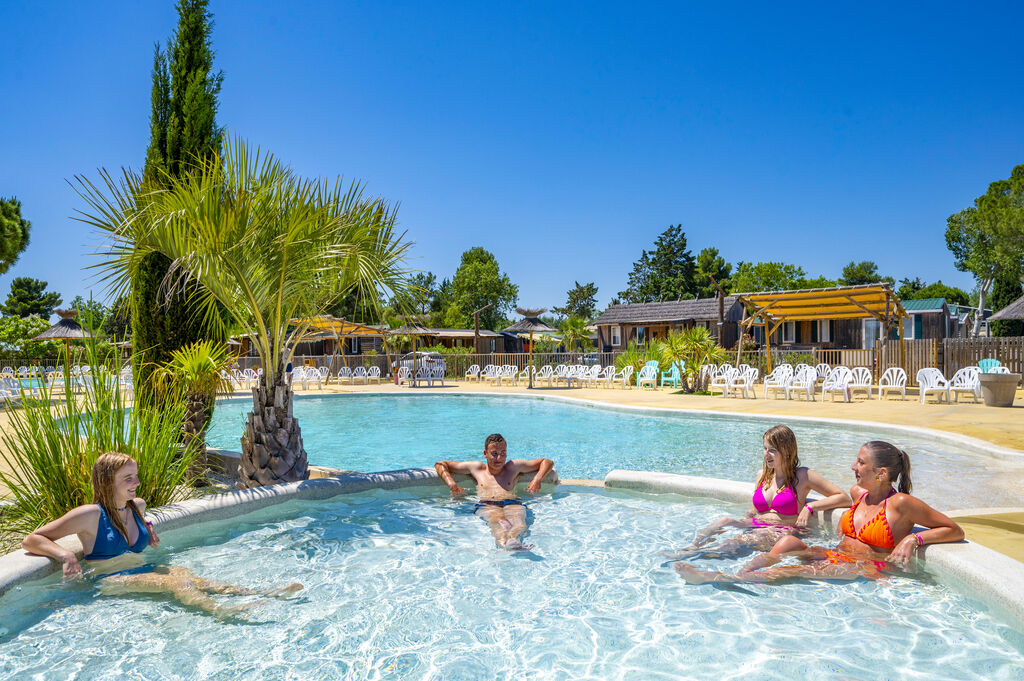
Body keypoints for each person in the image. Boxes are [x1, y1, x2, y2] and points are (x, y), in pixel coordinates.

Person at [22, 452, 302, 618]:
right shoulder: (89, 514)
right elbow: (32, 539)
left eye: (136, 476)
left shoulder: (138, 506)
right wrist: (66, 555)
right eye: (128, 479)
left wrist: (149, 529)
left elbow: (141, 523)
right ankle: (222, 613)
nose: (137, 483)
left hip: (142, 568)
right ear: (108, 481)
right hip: (109, 580)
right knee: (177, 585)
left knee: (191, 577)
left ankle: (262, 592)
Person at [675, 441, 965, 584]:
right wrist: (809, 509)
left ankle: (724, 579)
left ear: (882, 473)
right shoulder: (857, 494)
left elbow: (955, 530)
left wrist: (913, 540)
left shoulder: (901, 503)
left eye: (860, 463)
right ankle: (743, 572)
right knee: (787, 544)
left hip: (866, 567)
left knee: (798, 569)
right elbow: (837, 500)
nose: (853, 467)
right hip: (834, 553)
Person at [666, 424, 851, 560]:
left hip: (781, 530)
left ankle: (700, 557)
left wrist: (810, 507)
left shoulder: (803, 476)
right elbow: (757, 508)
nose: (766, 455)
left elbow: (843, 498)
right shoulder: (761, 475)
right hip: (756, 524)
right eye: (765, 449)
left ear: (787, 452)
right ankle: (691, 548)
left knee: (737, 542)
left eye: (772, 450)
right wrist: (748, 515)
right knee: (724, 521)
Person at [434, 433, 554, 550]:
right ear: (485, 454)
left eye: (503, 453)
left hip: (512, 502)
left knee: (520, 524)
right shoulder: (476, 468)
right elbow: (440, 464)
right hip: (487, 505)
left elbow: (547, 462)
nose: (499, 458)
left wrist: (537, 479)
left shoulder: (513, 467)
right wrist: (451, 484)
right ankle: (505, 544)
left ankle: (512, 541)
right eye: (494, 454)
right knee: (498, 526)